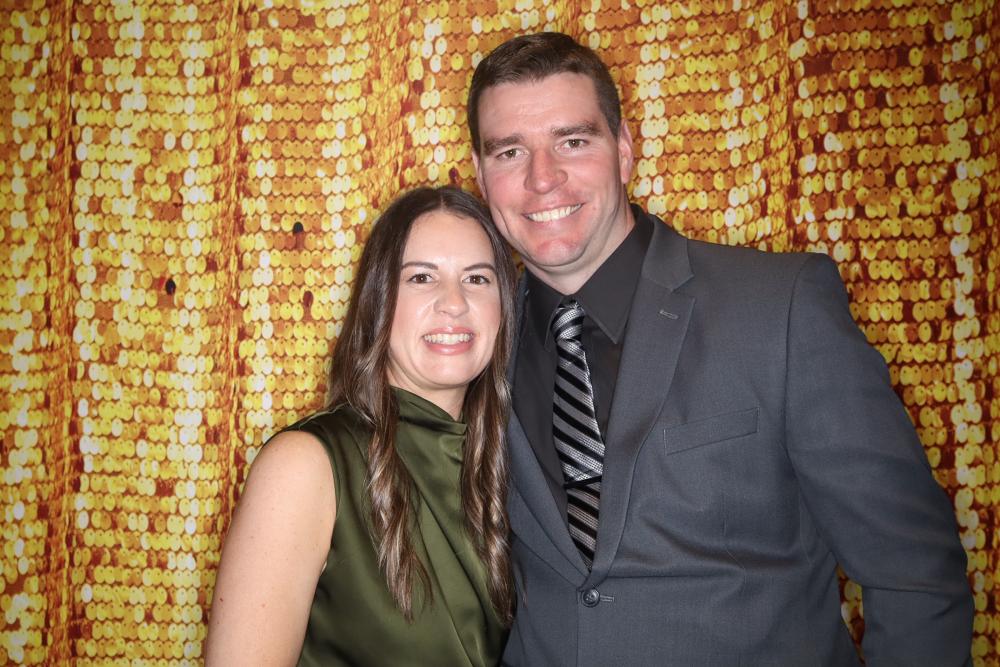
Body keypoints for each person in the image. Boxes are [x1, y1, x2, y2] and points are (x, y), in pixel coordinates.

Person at [467, 32, 973, 665]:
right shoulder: (472, 343)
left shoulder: (781, 307)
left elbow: (915, 575)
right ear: (481, 176)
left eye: (573, 141)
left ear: (624, 150)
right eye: (510, 151)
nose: (543, 178)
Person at [204, 186, 518, 665]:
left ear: (504, 306)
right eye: (421, 278)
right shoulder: (305, 465)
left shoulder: (509, 466)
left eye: (477, 278)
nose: (453, 302)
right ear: (379, 300)